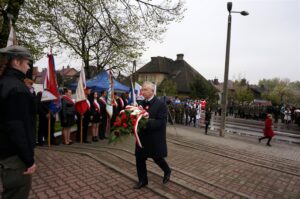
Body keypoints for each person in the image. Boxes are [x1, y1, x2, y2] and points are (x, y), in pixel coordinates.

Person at [0, 45, 37, 198]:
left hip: (5, 150)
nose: (29, 66)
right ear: (16, 61)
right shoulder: (17, 89)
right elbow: (18, 127)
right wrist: (29, 160)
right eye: (27, 63)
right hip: (15, 157)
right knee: (17, 194)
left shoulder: (4, 82)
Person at [134, 81, 171, 189]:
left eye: (145, 89)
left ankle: (167, 170)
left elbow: (161, 122)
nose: (143, 92)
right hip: (142, 138)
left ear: (152, 91)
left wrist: (146, 122)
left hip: (154, 138)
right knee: (139, 159)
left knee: (157, 158)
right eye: (142, 89)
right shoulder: (140, 103)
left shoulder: (161, 105)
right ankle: (142, 180)